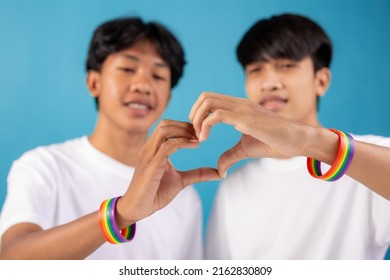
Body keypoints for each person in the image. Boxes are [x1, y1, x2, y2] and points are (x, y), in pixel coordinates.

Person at [0, 17, 219, 259]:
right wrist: (120, 214)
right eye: (127, 69)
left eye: (158, 76)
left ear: (167, 98)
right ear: (94, 82)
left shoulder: (183, 198)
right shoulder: (43, 167)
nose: (143, 85)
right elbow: (11, 259)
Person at [189, 13, 390, 259]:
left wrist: (309, 142)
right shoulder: (232, 186)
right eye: (256, 70)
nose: (269, 83)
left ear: (321, 80)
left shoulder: (370, 157)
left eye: (287, 66)